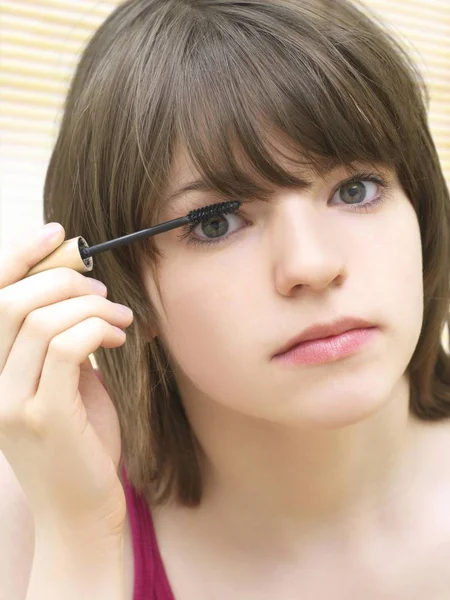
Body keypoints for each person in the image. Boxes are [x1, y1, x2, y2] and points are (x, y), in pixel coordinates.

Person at [1, 0, 449, 598]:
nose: (311, 266)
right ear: (120, 281)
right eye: (217, 224)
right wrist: (80, 540)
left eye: (355, 189)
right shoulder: (37, 520)